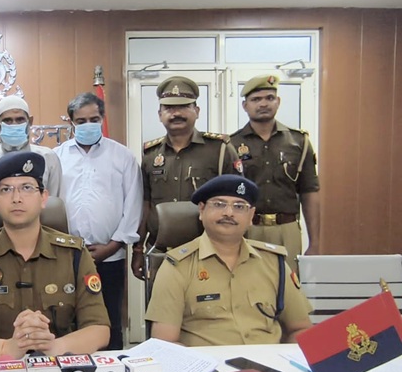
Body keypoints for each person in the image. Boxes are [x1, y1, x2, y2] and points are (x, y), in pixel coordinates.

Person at [0, 151, 110, 362]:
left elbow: (99, 328)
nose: (17, 198)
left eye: (27, 188)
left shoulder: (74, 254)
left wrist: (55, 346)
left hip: (59, 368)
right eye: (6, 189)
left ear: (44, 197)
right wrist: (7, 348)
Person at [145, 175, 313, 346]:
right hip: (207, 362)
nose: (229, 213)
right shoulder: (177, 266)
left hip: (267, 361)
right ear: (201, 210)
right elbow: (165, 344)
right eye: (219, 204)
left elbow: (301, 329)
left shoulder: (274, 263)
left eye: (239, 206)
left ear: (251, 216)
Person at [54, 92, 142, 350]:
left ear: (103, 118)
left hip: (110, 255)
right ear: (71, 122)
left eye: (94, 119)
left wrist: (113, 246)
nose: (88, 125)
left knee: (109, 317)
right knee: (67, 319)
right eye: (81, 121)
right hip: (65, 256)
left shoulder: (123, 156)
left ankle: (112, 366)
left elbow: (133, 204)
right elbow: (50, 205)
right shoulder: (56, 157)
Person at [132, 76, 242, 278]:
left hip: (209, 252)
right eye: (169, 108)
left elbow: (238, 202)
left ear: (197, 111)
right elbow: (145, 206)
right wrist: (138, 248)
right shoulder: (150, 154)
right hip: (161, 252)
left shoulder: (220, 150)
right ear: (160, 114)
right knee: (160, 299)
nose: (176, 113)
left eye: (183, 106)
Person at [231, 74, 321, 270]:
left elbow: (309, 192)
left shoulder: (299, 142)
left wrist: (315, 242)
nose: (263, 104)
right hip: (247, 229)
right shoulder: (231, 145)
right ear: (245, 106)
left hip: (286, 230)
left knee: (288, 283)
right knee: (247, 283)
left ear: (278, 102)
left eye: (269, 98)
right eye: (256, 99)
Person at [0, 95, 63, 238]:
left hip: (40, 240)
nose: (14, 124)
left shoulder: (48, 157)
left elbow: (54, 208)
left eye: (20, 120)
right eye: (7, 120)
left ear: (30, 122)